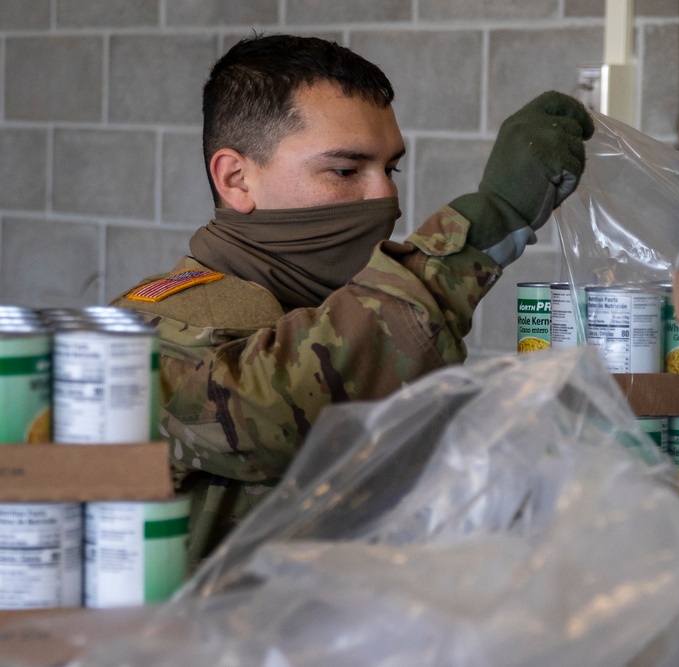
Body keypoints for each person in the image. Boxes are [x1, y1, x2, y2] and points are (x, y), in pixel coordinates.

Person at [112, 34, 595, 563]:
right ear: (236, 179)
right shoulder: (142, 333)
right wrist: (485, 226)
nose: (384, 197)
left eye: (389, 169)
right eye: (345, 171)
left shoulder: (359, 307)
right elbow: (278, 400)